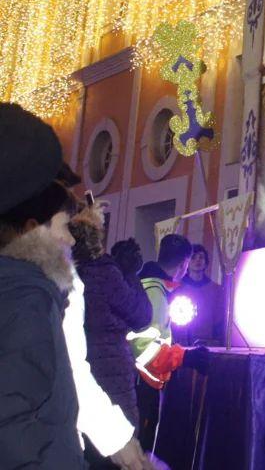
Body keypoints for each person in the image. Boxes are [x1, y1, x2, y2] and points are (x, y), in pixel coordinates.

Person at [0, 103, 87, 469]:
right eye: (65, 226)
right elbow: (12, 425)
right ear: (34, 227)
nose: (71, 239)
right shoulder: (27, 299)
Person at [68, 204, 153, 430]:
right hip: (110, 375)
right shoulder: (104, 272)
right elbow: (141, 316)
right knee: (115, 445)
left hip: (71, 375)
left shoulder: (60, 271)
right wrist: (131, 274)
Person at [131, 234, 193, 450]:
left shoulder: (147, 284)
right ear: (184, 264)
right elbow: (144, 350)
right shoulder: (155, 293)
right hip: (142, 386)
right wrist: (184, 356)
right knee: (140, 448)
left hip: (136, 384)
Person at [175, 245, 223, 346]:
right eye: (193, 257)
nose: (198, 260)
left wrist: (217, 340)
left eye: (201, 257)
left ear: (206, 262)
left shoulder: (216, 289)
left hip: (208, 342)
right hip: (182, 342)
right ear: (187, 262)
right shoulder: (178, 288)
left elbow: (219, 318)